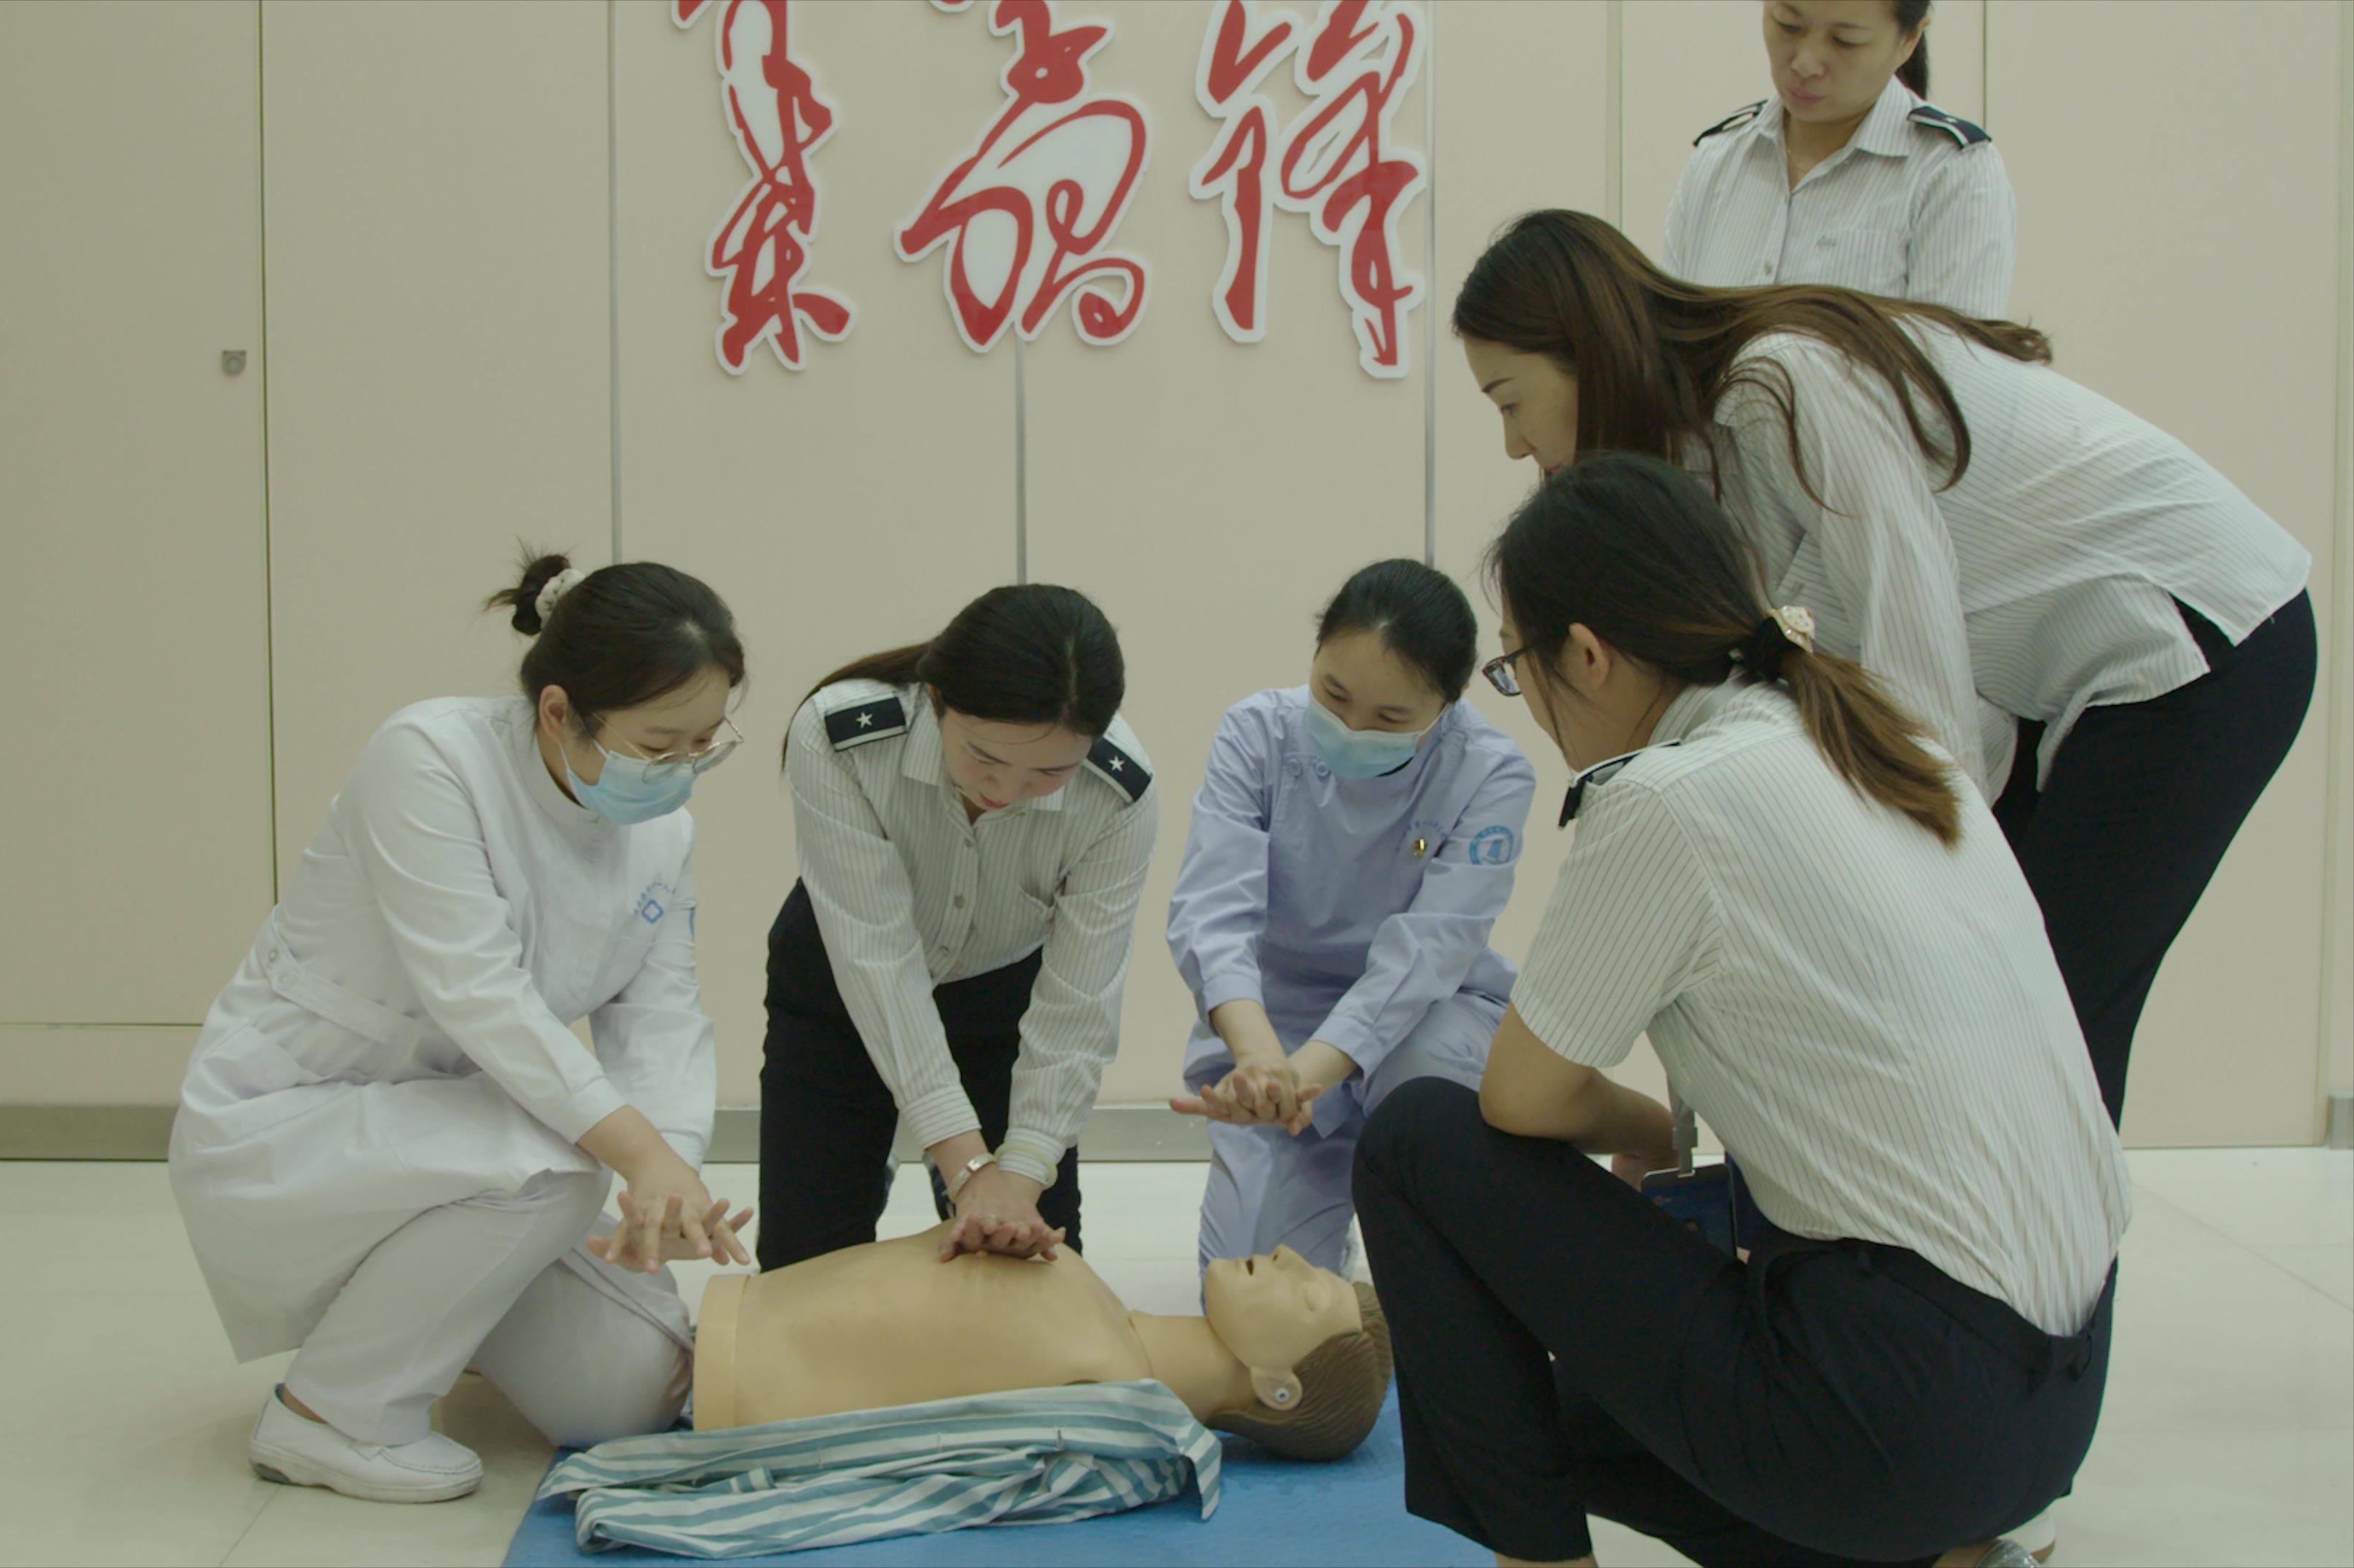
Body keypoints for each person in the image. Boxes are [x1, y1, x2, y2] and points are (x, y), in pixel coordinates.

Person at [1352, 452, 2127, 1568]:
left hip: (1908, 1411)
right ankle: (1937, 1555)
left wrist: (1646, 1131)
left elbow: (1519, 1099)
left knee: (1416, 1139)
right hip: (2051, 1413)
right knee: (1539, 1425)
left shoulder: (1669, 797)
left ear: (1586, 655)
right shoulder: (1892, 745)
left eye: (1518, 668)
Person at [1455, 208, 2316, 1122]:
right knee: (1992, 1000)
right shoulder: (1703, 456)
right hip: (2067, 679)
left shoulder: (1782, 383)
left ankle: (2048, 1219)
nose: (1514, 445)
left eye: (1509, 401)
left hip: (2194, 634)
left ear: (1585, 352)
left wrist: (1896, 888)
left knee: (2049, 1011)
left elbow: (1915, 658)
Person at [168, 551, 754, 1503]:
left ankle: (447, 1315)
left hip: (461, 1146)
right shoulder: (430, 758)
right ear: (559, 712)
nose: (680, 771)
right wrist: (635, 1156)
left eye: (703, 744)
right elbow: (479, 992)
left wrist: (669, 1184)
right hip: (300, 1115)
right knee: (557, 1161)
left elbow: (661, 1016)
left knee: (630, 1397)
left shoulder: (661, 834)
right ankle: (330, 1415)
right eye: (659, 744)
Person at [760, 584, 1159, 1270]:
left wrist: (1020, 1175)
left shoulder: (1118, 794)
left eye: (1050, 771)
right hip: (843, 986)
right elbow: (877, 959)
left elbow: (1080, 1001)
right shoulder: (842, 735)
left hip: (1001, 1000)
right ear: (937, 697)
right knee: (808, 1264)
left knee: (1031, 1263)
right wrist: (967, 1167)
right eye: (984, 757)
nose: (1005, 791)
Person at [1166, 560, 1534, 1278]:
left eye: (1391, 719)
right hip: (1276, 1026)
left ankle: (1429, 1237)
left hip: (1428, 1018)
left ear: (1449, 704)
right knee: (1255, 1295)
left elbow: (1430, 951)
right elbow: (1213, 912)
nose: (1352, 727)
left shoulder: (1489, 772)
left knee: (1421, 1083)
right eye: (1333, 695)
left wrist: (1305, 1074)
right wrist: (1262, 1061)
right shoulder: (1256, 733)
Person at [691, 1226, 1386, 1456]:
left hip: (719, 1385)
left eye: (1309, 1295)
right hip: (727, 1324)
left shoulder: (1098, 1389)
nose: (1290, 1256)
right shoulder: (1101, 1327)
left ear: (1278, 1387)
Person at [1666, 1, 2014, 317]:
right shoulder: (1717, 160)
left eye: (1845, 41)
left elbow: (1953, 363)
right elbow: (1667, 341)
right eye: (1788, 25)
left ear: (1909, 39)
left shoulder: (1951, 174)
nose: (1805, 64)